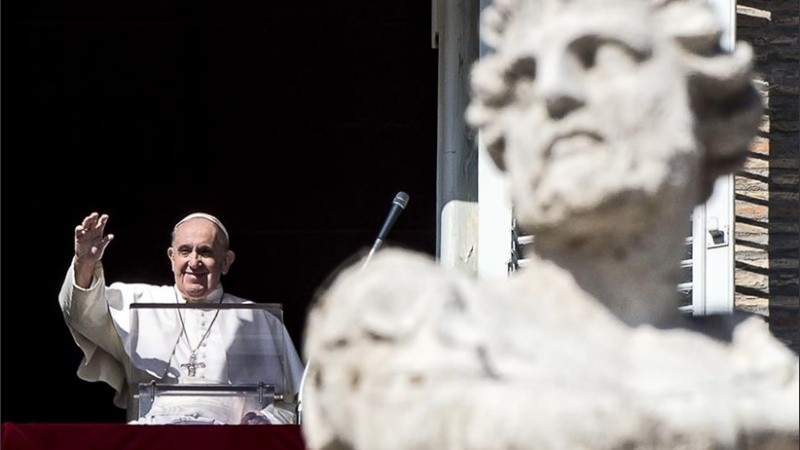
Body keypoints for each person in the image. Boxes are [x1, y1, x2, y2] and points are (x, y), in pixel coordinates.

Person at [300, 0, 798, 449]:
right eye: (522, 78)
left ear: (707, 114)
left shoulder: (760, 371)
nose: (554, 91)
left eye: (602, 56)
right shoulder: (408, 328)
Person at [59, 211, 305, 424]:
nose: (194, 261)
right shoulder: (138, 300)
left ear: (226, 261)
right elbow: (82, 314)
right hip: (155, 441)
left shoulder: (259, 319)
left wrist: (263, 421)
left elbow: (293, 402)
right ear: (171, 257)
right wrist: (85, 263)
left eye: (205, 251)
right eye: (185, 251)